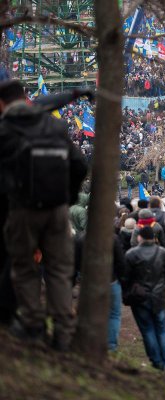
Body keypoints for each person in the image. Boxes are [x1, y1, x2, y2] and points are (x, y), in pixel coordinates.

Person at [0, 80, 87, 349]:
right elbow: (79, 164)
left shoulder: (5, 130)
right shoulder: (54, 126)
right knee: (59, 271)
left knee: (24, 267)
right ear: (25, 97)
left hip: (22, 209)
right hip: (58, 209)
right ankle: (63, 333)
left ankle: (33, 323)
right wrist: (69, 197)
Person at [122, 226, 165, 371]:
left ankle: (156, 361)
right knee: (161, 329)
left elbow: (126, 277)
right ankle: (164, 360)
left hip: (140, 297)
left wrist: (128, 292)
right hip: (159, 296)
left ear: (139, 237)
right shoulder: (162, 252)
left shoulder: (131, 254)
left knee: (147, 329)